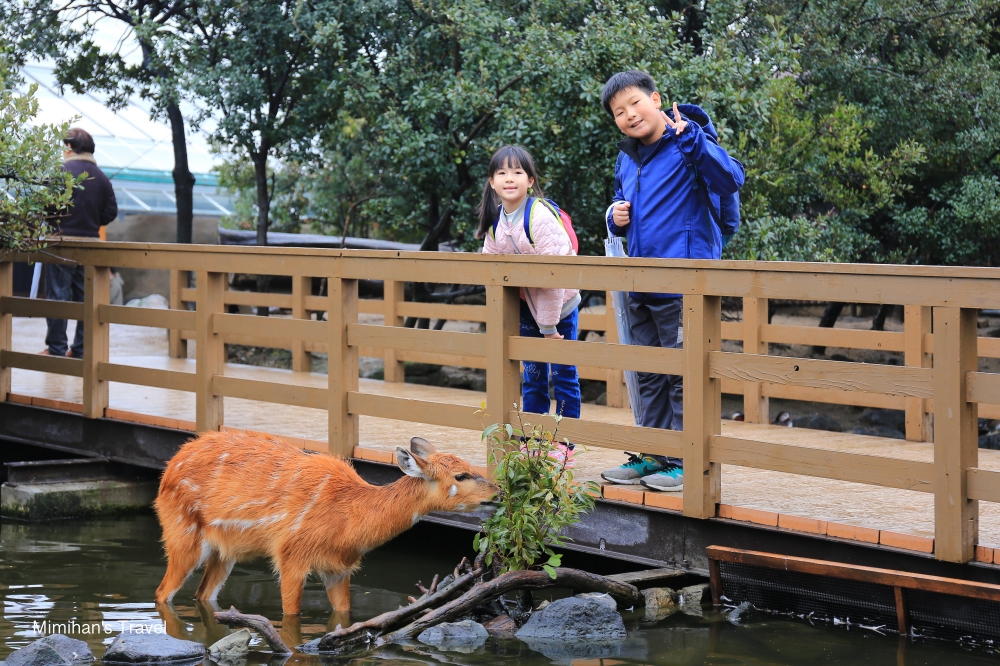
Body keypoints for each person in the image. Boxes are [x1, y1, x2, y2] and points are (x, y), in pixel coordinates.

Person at [598, 71, 745, 492]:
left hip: (684, 286)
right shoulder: (627, 158)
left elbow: (732, 179)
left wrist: (694, 140)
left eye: (635, 103)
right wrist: (614, 217)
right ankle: (653, 454)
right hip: (640, 282)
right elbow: (624, 208)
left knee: (684, 374)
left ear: (656, 99)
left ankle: (684, 461)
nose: (629, 115)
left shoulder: (690, 140)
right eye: (619, 112)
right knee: (648, 373)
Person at [478, 145, 582, 423]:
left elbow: (556, 276)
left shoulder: (539, 217)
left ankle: (564, 441)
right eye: (502, 173)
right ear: (492, 182)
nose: (509, 179)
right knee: (533, 376)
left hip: (560, 307)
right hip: (526, 306)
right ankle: (535, 438)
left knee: (563, 375)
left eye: (517, 172)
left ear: (530, 180)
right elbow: (490, 271)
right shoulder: (495, 222)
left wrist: (549, 327)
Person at [41, 128, 118, 358]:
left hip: (61, 244)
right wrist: (91, 221)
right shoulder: (102, 177)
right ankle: (81, 349)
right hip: (90, 245)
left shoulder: (61, 172)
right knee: (87, 298)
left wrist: (57, 221)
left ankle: (56, 348)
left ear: (69, 147)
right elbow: (110, 212)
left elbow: (45, 205)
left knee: (58, 296)